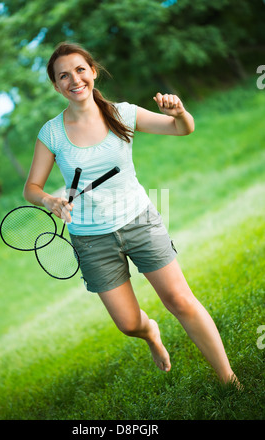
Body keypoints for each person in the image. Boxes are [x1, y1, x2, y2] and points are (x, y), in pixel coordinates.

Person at [24, 42, 240, 387]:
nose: (74, 79)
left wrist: (179, 112)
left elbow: (183, 129)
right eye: (63, 76)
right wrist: (51, 200)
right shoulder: (51, 133)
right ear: (56, 86)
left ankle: (229, 380)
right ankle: (151, 333)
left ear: (93, 71)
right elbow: (31, 188)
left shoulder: (123, 113)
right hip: (91, 239)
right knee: (128, 324)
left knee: (180, 300)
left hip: (139, 221)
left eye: (80, 70)